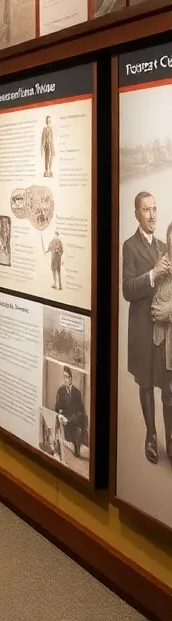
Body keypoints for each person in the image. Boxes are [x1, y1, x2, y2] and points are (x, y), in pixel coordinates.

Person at [122, 192, 170, 465]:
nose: (152, 215)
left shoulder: (164, 246)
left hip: (163, 330)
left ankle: (169, 438)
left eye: (155, 209)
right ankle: (151, 434)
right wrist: (153, 274)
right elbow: (127, 289)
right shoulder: (129, 246)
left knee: (166, 383)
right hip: (142, 329)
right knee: (146, 382)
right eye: (146, 210)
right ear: (136, 214)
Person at [55, 366, 87, 459]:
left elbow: (81, 411)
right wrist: (60, 416)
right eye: (64, 377)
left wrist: (70, 420)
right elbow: (57, 408)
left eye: (66, 377)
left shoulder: (77, 392)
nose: (65, 379)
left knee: (78, 431)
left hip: (73, 420)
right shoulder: (60, 391)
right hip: (63, 420)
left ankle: (76, 450)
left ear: (71, 378)